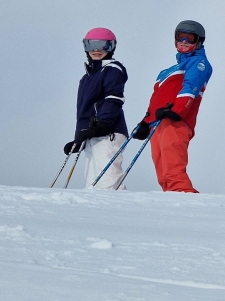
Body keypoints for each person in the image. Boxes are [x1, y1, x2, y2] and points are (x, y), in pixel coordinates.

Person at [131, 20, 212, 193]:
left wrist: (177, 110)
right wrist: (145, 121)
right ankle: (172, 202)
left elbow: (191, 86)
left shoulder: (198, 63)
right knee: (162, 173)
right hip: (157, 121)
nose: (184, 41)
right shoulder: (166, 72)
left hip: (176, 120)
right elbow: (155, 99)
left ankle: (187, 199)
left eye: (189, 38)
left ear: (198, 41)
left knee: (173, 168)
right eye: (180, 37)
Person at [64, 27, 129, 190]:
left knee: (108, 182)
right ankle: (97, 214)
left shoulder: (112, 69)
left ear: (112, 47)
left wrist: (104, 123)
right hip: (91, 135)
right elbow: (83, 112)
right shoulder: (86, 78)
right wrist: (78, 140)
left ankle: (117, 210)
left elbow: (114, 98)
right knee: (92, 186)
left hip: (108, 132)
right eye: (91, 45)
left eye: (103, 45)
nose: (96, 50)